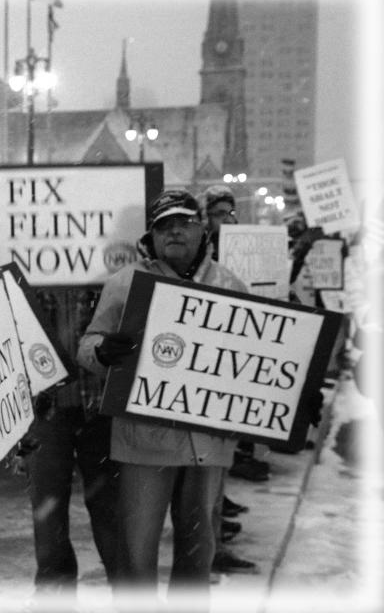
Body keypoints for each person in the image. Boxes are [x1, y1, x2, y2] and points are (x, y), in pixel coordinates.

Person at [77, 190, 247, 609]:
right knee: (137, 546)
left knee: (198, 545)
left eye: (183, 223)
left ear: (201, 229)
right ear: (150, 236)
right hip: (144, 441)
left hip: (209, 441)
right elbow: (89, 344)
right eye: (163, 225)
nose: (174, 231)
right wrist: (101, 353)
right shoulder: (125, 283)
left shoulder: (230, 283)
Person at [20, 286, 121, 608]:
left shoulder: (109, 264)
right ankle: (54, 595)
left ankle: (127, 591)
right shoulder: (20, 254)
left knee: (111, 509)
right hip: (44, 407)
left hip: (102, 404)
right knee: (47, 509)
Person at [198, 185, 260, 576]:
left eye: (231, 213)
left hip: (228, 370)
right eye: (220, 213)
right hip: (204, 372)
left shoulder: (237, 255)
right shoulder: (201, 259)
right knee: (204, 477)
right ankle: (209, 545)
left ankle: (214, 537)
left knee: (217, 468)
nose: (227, 221)